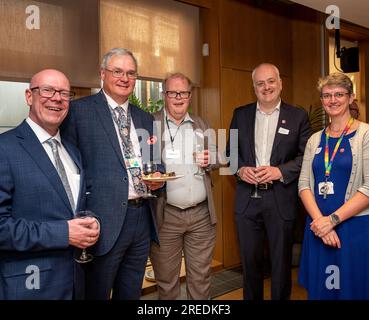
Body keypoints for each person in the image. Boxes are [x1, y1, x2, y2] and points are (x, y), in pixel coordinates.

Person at [61, 48, 163, 300]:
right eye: (117, 71)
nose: (124, 78)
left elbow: (154, 161)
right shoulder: (78, 112)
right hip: (101, 219)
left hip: (142, 217)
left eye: (130, 73)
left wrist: (159, 177)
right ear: (102, 73)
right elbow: (67, 168)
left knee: (130, 292)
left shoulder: (145, 118)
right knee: (96, 291)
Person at [0, 69, 100, 300]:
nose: (57, 98)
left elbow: (76, 203)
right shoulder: (5, 148)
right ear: (29, 96)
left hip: (75, 280)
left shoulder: (72, 151)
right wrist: (64, 233)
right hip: (29, 284)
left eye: (64, 93)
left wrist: (92, 220)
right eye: (47, 90)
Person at [228, 63, 310, 300]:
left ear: (280, 83)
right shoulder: (240, 114)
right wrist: (240, 170)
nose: (266, 87)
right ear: (253, 87)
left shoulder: (298, 116)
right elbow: (230, 152)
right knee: (250, 267)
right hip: (247, 201)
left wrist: (279, 171)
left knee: (280, 266)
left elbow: (306, 156)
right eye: (260, 83)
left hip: (280, 199)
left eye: (271, 81)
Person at [298, 73, 369, 299]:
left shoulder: (366, 134)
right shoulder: (315, 139)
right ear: (321, 100)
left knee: (352, 290)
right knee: (323, 291)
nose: (333, 100)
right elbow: (303, 184)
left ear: (351, 98)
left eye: (339, 94)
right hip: (318, 229)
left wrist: (332, 221)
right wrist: (321, 222)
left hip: (353, 229)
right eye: (326, 95)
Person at [149, 72, 217, 300]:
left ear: (190, 95)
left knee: (201, 279)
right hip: (165, 217)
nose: (178, 97)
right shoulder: (150, 124)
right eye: (172, 92)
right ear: (164, 95)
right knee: (167, 283)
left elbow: (219, 157)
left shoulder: (201, 123)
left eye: (184, 93)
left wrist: (211, 159)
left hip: (201, 217)